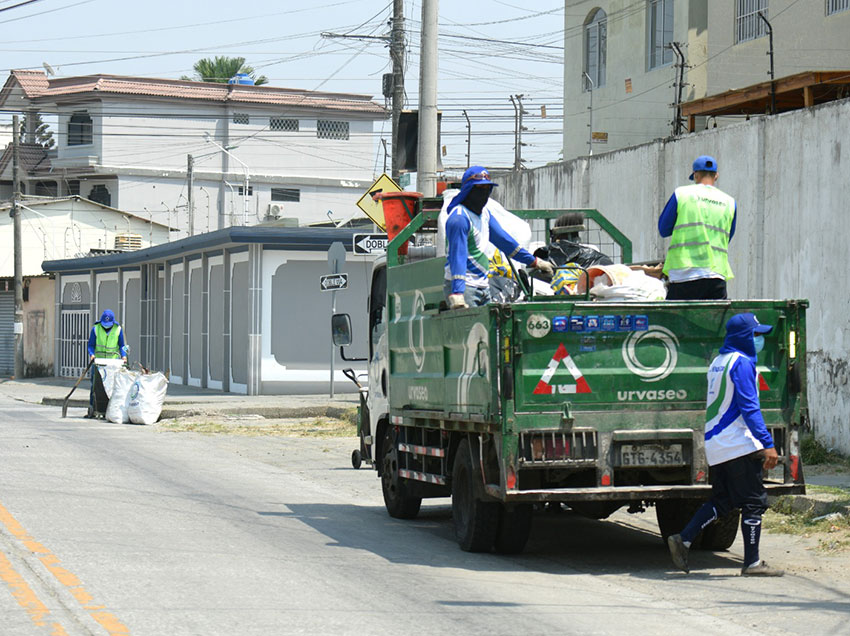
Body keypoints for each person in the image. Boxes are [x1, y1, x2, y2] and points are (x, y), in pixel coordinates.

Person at [667, 313, 783, 577]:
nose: (759, 341)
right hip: (737, 443)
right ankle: (752, 564)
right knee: (754, 502)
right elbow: (749, 408)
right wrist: (767, 443)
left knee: (724, 500)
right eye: (755, 335)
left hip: (716, 444)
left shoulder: (718, 362)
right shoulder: (741, 363)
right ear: (744, 337)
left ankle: (683, 539)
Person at [445, 166, 553, 308]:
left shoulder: (484, 214)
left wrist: (535, 262)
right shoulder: (460, 219)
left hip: (483, 286)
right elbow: (458, 255)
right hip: (465, 289)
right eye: (479, 189)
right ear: (468, 191)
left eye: (487, 189)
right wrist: (458, 292)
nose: (483, 194)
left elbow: (505, 242)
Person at [658, 155, 737, 300]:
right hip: (716, 276)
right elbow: (727, 237)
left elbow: (663, 229)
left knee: (677, 322)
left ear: (695, 175)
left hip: (684, 275)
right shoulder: (729, 202)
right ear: (716, 176)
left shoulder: (681, 194)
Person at [86, 309, 128, 417]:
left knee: (113, 387)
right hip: (98, 363)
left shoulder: (118, 329)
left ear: (113, 322)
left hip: (113, 364)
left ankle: (110, 409)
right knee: (95, 386)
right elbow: (91, 345)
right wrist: (91, 355)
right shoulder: (96, 329)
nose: (106, 326)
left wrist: (123, 356)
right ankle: (93, 407)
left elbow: (122, 345)